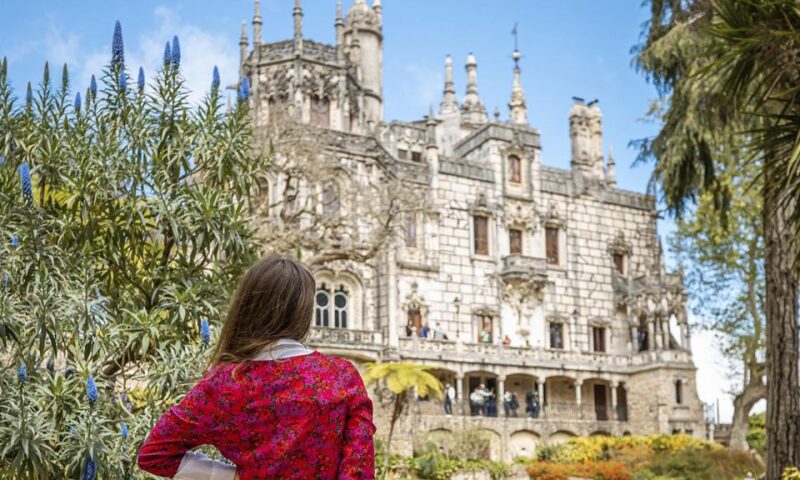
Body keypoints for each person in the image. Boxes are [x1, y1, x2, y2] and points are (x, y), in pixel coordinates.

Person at [137, 256, 376, 480]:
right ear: (304, 311)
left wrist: (230, 476)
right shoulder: (341, 378)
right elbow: (358, 471)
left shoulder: (225, 383)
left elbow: (154, 454)